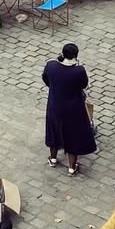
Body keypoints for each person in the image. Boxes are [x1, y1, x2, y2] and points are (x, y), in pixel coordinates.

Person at [41, 42, 96, 175]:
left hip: (55, 105)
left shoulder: (51, 66)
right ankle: (72, 167)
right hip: (73, 108)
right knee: (73, 136)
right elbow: (84, 84)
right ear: (76, 56)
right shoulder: (78, 71)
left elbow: (45, 78)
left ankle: (53, 159)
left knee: (53, 130)